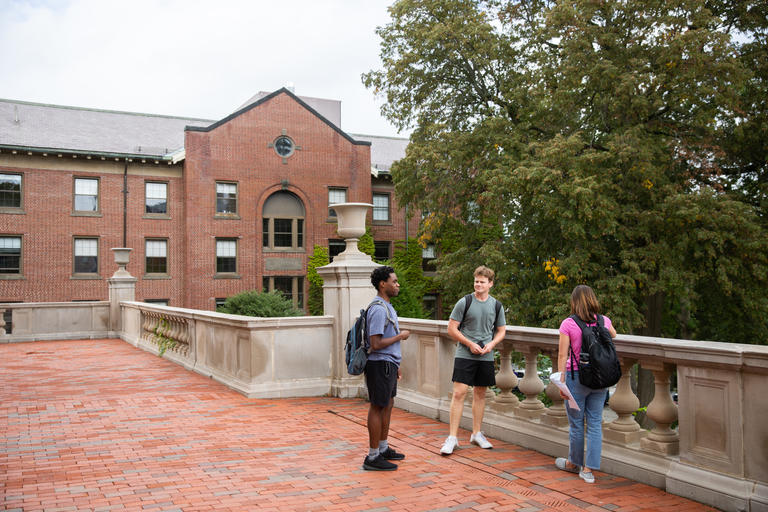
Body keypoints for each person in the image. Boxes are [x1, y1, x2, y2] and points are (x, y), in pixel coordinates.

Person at [554, 284, 618, 484]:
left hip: (576, 377)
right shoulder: (603, 320)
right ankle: (588, 470)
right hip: (600, 378)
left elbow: (563, 355)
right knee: (595, 424)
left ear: (574, 301)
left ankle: (573, 463)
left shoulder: (568, 324)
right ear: (592, 299)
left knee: (576, 424)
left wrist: (561, 383)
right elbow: (613, 335)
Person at [440, 266, 506, 455]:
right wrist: (469, 343)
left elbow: (501, 330)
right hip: (465, 354)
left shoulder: (496, 305)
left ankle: (476, 434)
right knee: (459, 393)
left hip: (486, 355)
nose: (478, 284)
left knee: (480, 394)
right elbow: (451, 329)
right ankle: (452, 438)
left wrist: (492, 344)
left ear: (490, 284)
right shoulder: (465, 302)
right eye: (476, 281)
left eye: (482, 282)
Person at [362, 265, 411, 471]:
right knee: (377, 406)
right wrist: (400, 336)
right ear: (383, 284)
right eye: (394, 281)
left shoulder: (387, 306)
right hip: (379, 364)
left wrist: (396, 363)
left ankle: (382, 448)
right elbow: (375, 344)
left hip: (388, 364)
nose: (397, 284)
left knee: (387, 404)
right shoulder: (379, 309)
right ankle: (372, 457)